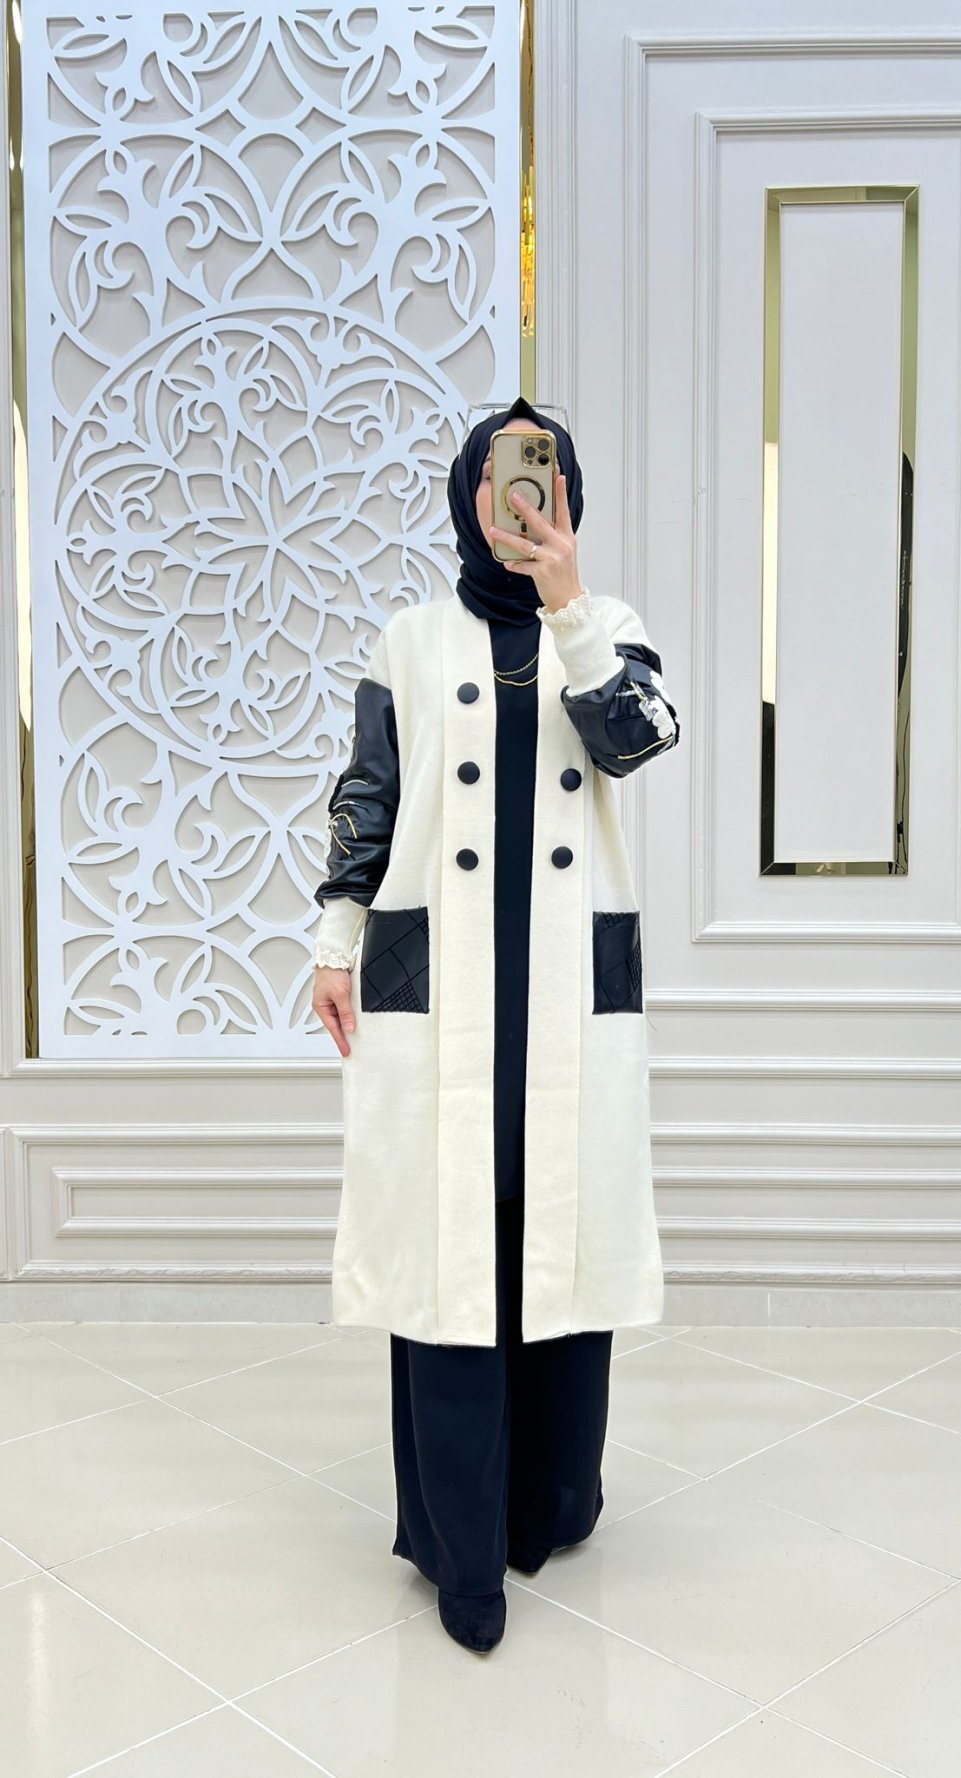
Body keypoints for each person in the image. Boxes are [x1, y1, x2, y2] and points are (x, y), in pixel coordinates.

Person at [311, 395, 680, 1653]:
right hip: (445, 982)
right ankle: (460, 1545)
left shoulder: (609, 625)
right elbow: (367, 793)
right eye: (501, 472)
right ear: (467, 491)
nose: (520, 492)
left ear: (568, 494)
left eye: (544, 471)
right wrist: (336, 938)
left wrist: (567, 604)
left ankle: (551, 1502)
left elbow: (636, 741)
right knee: (451, 1246)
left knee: (558, 1231)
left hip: (564, 987)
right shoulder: (410, 636)